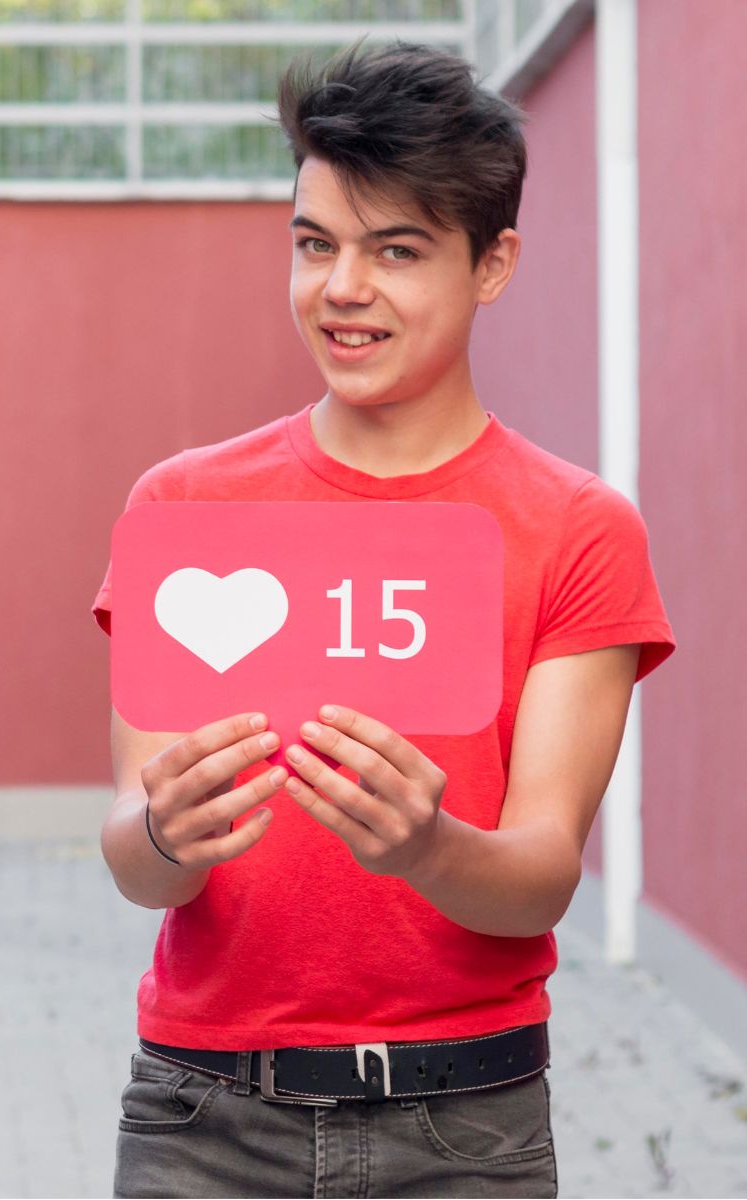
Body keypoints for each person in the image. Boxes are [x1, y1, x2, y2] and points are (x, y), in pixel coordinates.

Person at [92, 41, 675, 1200]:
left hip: (465, 1129)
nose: (341, 289)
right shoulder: (183, 507)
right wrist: (164, 834)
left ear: (493, 262)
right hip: (204, 1117)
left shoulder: (578, 529)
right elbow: (134, 862)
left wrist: (427, 848)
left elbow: (543, 874)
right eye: (316, 246)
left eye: (395, 251)